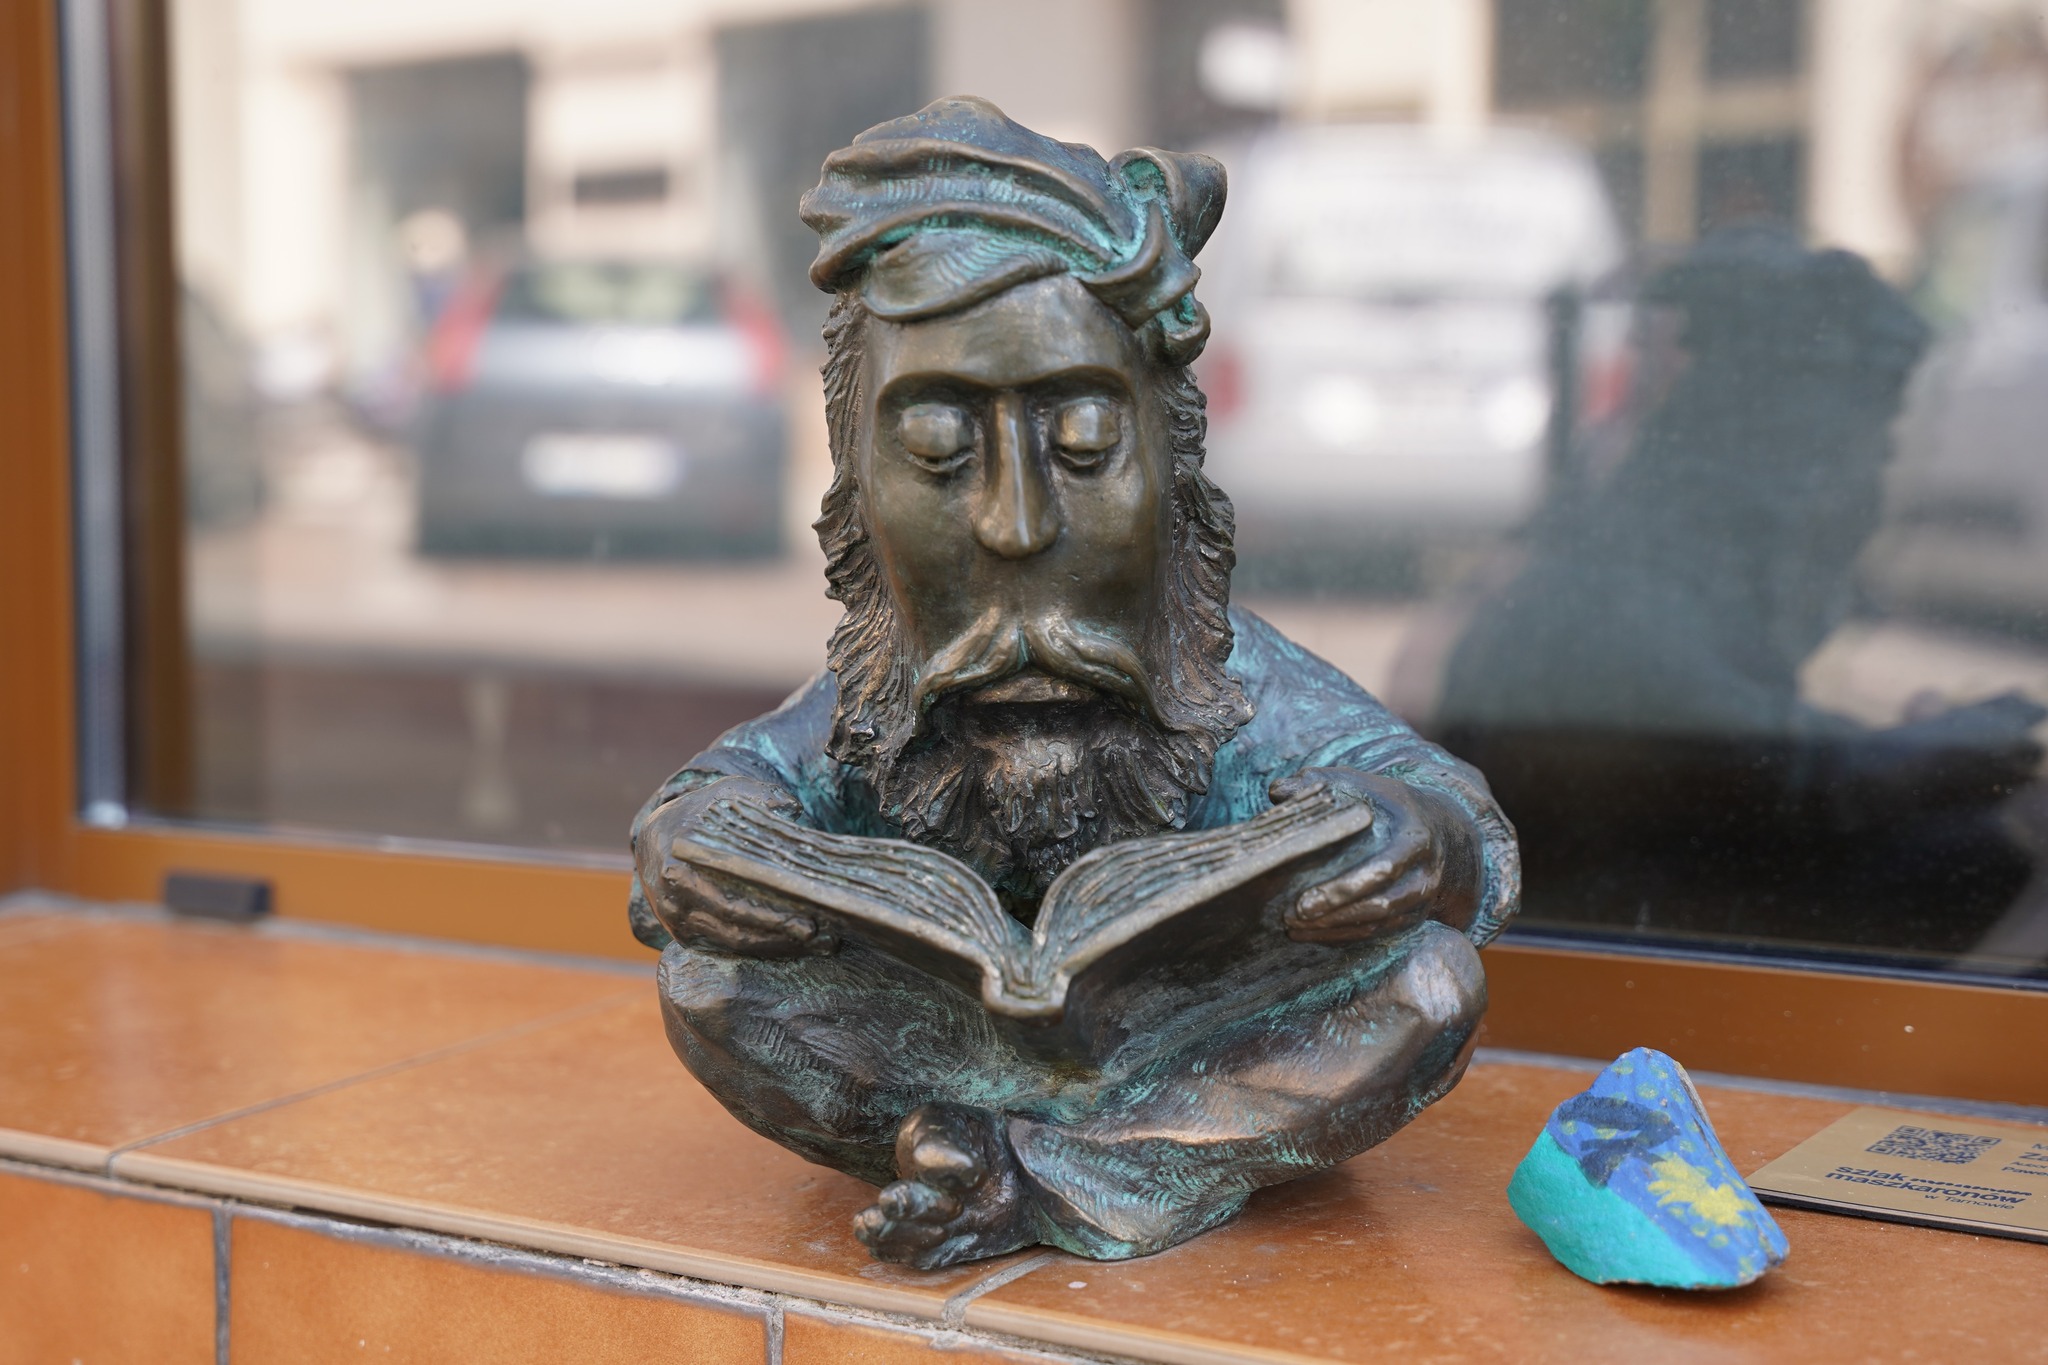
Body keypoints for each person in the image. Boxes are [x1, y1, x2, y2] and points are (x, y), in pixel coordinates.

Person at [629, 98, 1519, 1267]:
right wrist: (693, 841)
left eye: (1087, 442)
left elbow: (1443, 808)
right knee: (711, 989)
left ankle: (1014, 1170)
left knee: (1422, 993)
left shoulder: (1226, 674)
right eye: (937, 451)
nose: (1016, 525)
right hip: (934, 1039)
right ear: (855, 490)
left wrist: (1419, 838)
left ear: (1173, 464)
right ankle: (1046, 1158)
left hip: (1196, 1041)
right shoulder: (882, 687)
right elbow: (733, 780)